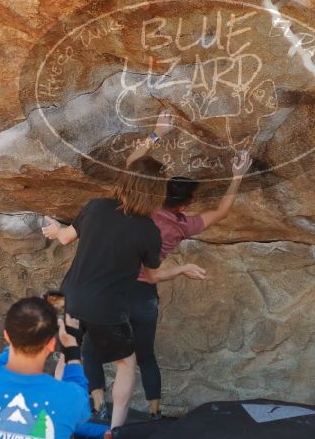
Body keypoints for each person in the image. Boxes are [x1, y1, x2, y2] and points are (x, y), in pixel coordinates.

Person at [85, 112, 252, 420]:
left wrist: (158, 133)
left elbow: (132, 166)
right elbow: (222, 212)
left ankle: (97, 404)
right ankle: (155, 411)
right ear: (186, 204)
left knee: (90, 348)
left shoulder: (141, 211)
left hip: (117, 290)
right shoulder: (184, 226)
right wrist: (237, 175)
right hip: (146, 294)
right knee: (146, 355)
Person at [41, 156, 205, 439]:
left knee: (65, 358)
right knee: (126, 363)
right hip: (107, 307)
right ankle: (115, 434)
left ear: (125, 181)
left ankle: (56, 425)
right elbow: (152, 276)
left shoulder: (96, 207)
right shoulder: (148, 231)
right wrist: (183, 269)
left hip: (66, 298)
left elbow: (66, 237)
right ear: (156, 194)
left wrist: (55, 229)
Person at [0, 297, 103, 439]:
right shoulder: (71, 398)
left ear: (6, 336)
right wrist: (72, 348)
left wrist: (25, 328)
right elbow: (79, 388)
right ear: (51, 344)